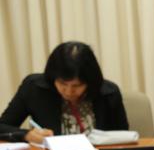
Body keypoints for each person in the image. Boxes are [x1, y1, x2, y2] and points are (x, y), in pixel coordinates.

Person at [0, 41, 129, 144]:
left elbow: (123, 138)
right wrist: (26, 135)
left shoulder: (108, 93)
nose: (69, 91)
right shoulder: (34, 88)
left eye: (77, 85)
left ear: (90, 82)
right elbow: (3, 126)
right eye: (62, 84)